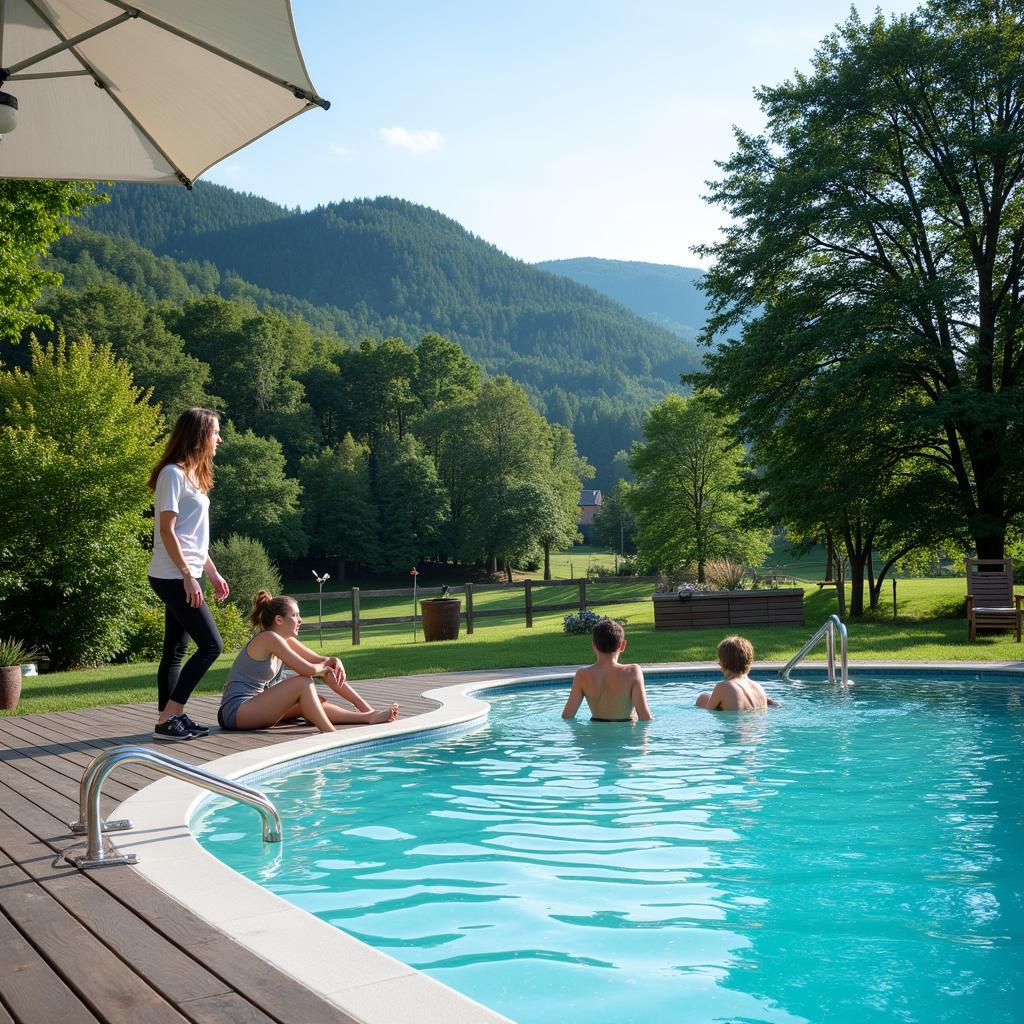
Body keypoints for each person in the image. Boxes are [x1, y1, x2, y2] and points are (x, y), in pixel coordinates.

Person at [147, 408, 229, 740]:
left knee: (176, 649)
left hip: (186, 572)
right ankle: (169, 717)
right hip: (171, 575)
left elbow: (190, 535)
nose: (219, 439)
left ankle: (172, 717)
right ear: (198, 436)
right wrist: (187, 575)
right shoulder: (172, 475)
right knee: (212, 645)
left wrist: (210, 570)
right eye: (215, 433)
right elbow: (167, 531)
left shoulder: (194, 477)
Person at [218, 591, 399, 732]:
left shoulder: (284, 639)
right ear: (279, 620)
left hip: (256, 707)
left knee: (313, 702)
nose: (300, 620)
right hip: (237, 712)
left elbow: (321, 662)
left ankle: (367, 714)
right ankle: (330, 733)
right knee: (304, 682)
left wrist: (334, 661)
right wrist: (324, 668)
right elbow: (308, 669)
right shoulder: (268, 638)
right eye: (295, 615)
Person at [561, 618, 653, 722]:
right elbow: (645, 717)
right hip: (625, 734)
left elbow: (567, 715)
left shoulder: (582, 675)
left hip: (595, 735)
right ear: (622, 645)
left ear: (593, 645)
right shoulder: (632, 672)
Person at [696, 635, 781, 711]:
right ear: (749, 661)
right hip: (757, 727)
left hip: (735, 727)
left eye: (719, 660)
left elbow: (709, 711)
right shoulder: (759, 688)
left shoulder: (724, 687)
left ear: (724, 663)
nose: (718, 663)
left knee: (702, 697)